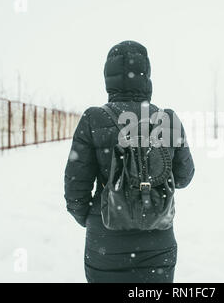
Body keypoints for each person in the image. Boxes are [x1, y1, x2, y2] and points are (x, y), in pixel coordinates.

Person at [64, 40, 195, 283]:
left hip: (105, 244)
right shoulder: (167, 119)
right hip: (158, 241)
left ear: (108, 77)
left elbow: (75, 189)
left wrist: (95, 217)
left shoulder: (93, 118)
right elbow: (185, 176)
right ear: (147, 76)